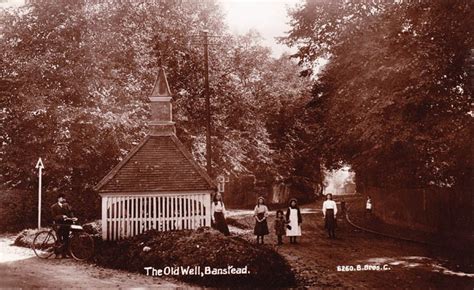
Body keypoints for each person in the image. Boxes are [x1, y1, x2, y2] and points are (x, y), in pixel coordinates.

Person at [50, 193, 76, 258]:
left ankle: (65, 254)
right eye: (62, 198)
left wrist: (73, 218)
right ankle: (57, 253)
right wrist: (62, 216)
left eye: (64, 198)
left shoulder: (66, 205)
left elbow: (70, 212)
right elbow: (53, 217)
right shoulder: (53, 207)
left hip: (66, 224)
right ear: (58, 199)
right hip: (58, 225)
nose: (63, 199)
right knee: (59, 239)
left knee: (66, 238)